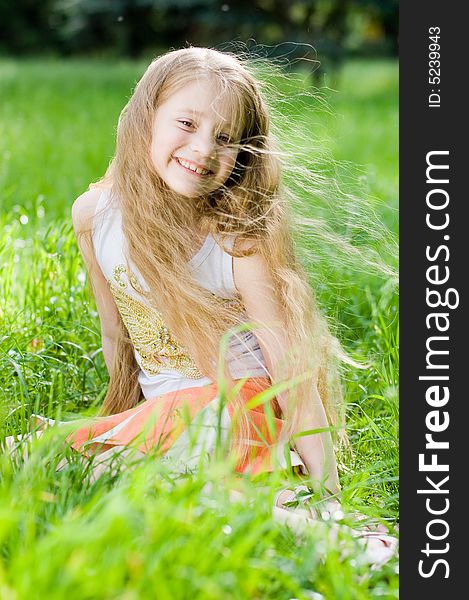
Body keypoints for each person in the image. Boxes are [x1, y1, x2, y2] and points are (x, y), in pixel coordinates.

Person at [5, 48, 396, 558]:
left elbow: (289, 367)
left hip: (233, 407)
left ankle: (315, 526)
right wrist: (123, 415)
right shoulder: (95, 214)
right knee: (26, 459)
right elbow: (115, 334)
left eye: (225, 138)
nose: (203, 148)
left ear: (244, 155)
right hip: (169, 414)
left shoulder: (237, 240)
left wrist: (329, 488)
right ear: (146, 118)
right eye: (186, 122)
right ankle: (243, 502)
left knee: (136, 483)